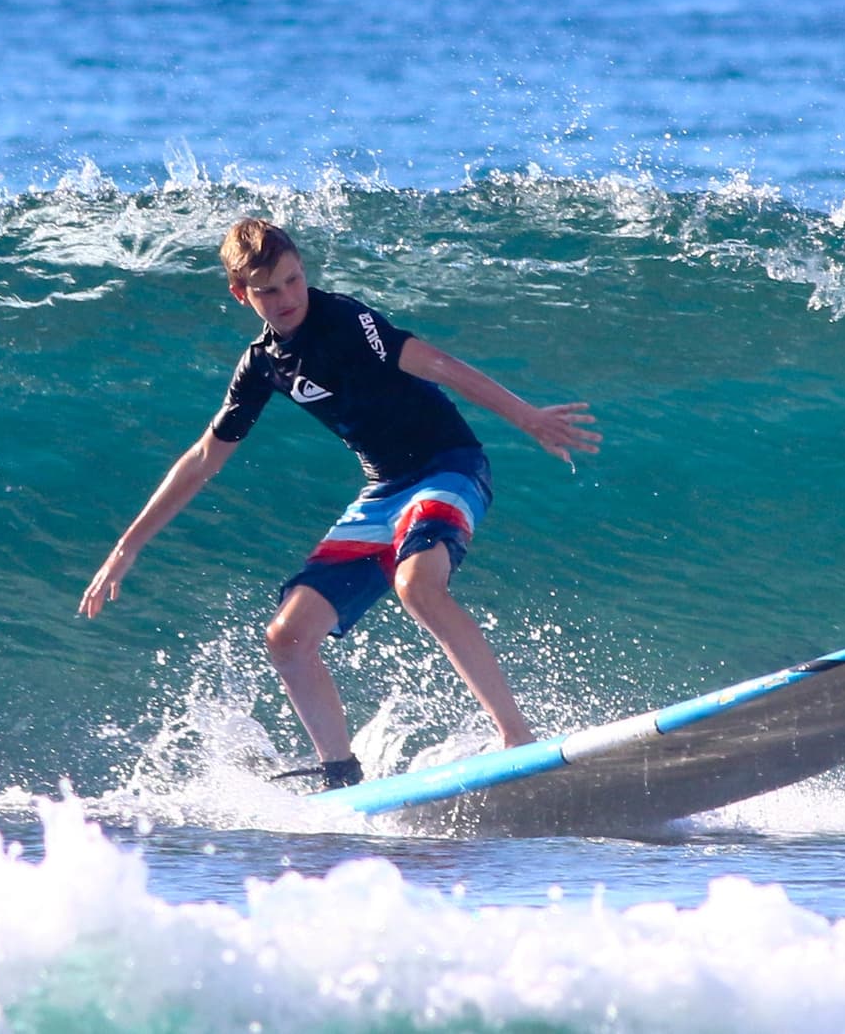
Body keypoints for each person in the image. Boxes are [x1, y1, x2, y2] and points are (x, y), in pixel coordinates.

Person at [79, 218, 599, 788]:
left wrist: (527, 417)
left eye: (293, 281)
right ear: (241, 293)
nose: (286, 298)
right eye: (267, 289)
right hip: (382, 492)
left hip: (448, 464)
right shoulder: (263, 364)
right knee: (287, 637)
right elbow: (206, 456)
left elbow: (437, 364)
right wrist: (126, 548)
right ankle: (341, 774)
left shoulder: (345, 320)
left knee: (417, 583)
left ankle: (516, 736)